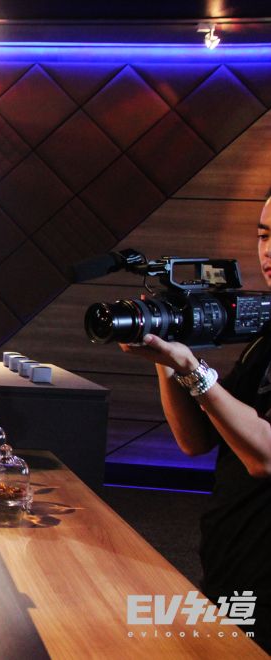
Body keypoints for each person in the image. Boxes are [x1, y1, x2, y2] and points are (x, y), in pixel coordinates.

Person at [118, 197, 271, 651]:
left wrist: (192, 369)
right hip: (231, 563)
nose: (268, 250)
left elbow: (265, 457)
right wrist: (164, 356)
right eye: (264, 235)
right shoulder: (266, 337)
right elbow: (196, 440)